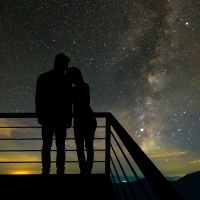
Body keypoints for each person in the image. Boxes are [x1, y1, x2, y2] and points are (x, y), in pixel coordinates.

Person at [35, 53, 72, 175]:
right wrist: (69, 117)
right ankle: (60, 171)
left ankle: (46, 171)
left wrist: (39, 115)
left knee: (47, 145)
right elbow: (68, 100)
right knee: (59, 146)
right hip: (59, 118)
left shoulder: (43, 77)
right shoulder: (66, 80)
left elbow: (38, 98)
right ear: (60, 63)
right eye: (66, 64)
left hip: (47, 117)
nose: (66, 67)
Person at [68, 66, 97, 175]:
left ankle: (85, 171)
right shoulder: (84, 86)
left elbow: (77, 104)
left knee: (82, 147)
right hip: (86, 119)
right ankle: (86, 171)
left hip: (83, 120)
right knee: (87, 147)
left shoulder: (76, 88)